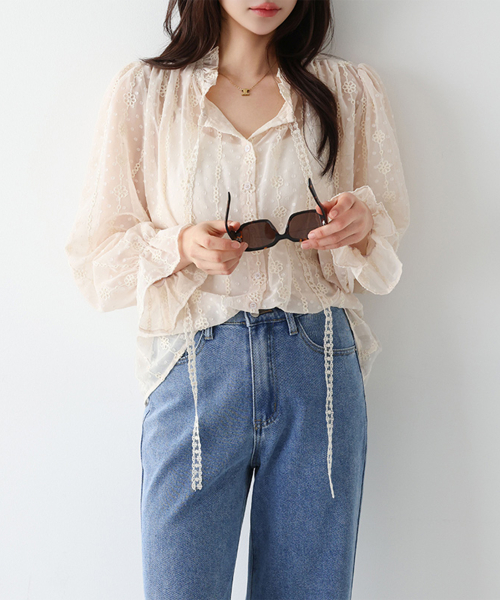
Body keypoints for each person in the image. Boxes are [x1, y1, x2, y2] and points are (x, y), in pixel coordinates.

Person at [64, 0, 410, 597]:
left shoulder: (346, 91)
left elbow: (381, 257)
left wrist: (357, 227)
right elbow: (96, 259)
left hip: (319, 370)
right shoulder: (148, 94)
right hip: (195, 372)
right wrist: (181, 246)